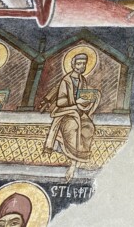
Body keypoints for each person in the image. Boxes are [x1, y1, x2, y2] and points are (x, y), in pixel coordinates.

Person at [43, 53, 100, 182]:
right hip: (65, 112)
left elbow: (83, 96)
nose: (82, 66)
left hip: (78, 111)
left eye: (84, 64)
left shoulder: (82, 80)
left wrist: (88, 98)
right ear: (73, 65)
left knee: (89, 127)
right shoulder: (66, 80)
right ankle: (73, 163)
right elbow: (60, 102)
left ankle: (81, 159)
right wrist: (75, 102)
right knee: (73, 126)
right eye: (79, 63)